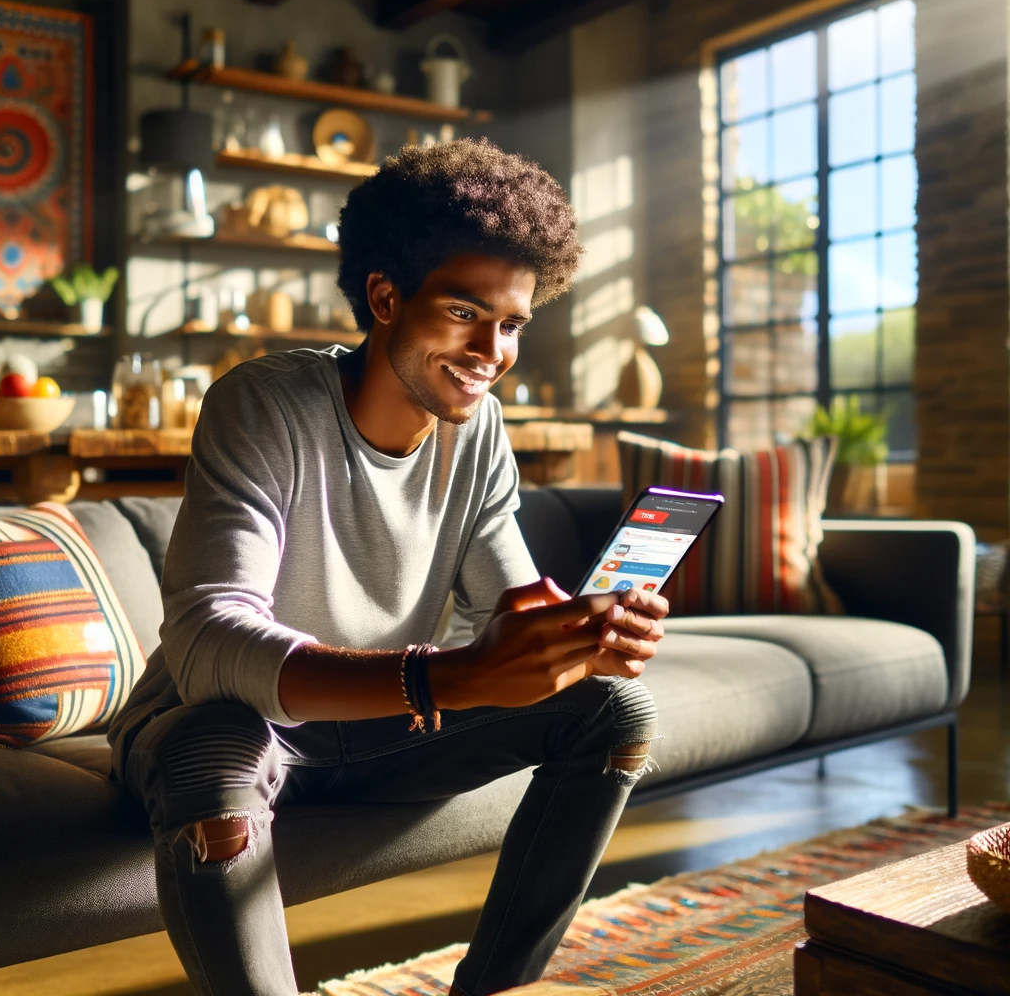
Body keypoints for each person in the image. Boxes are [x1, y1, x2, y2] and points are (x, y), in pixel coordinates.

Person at [108, 138, 667, 996]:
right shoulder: (263, 404)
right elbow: (210, 639)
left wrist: (571, 635)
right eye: (463, 312)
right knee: (210, 751)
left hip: (379, 731)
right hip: (239, 725)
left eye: (512, 323)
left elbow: (507, 595)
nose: (492, 349)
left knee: (614, 708)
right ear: (384, 296)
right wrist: (440, 680)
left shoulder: (476, 429)